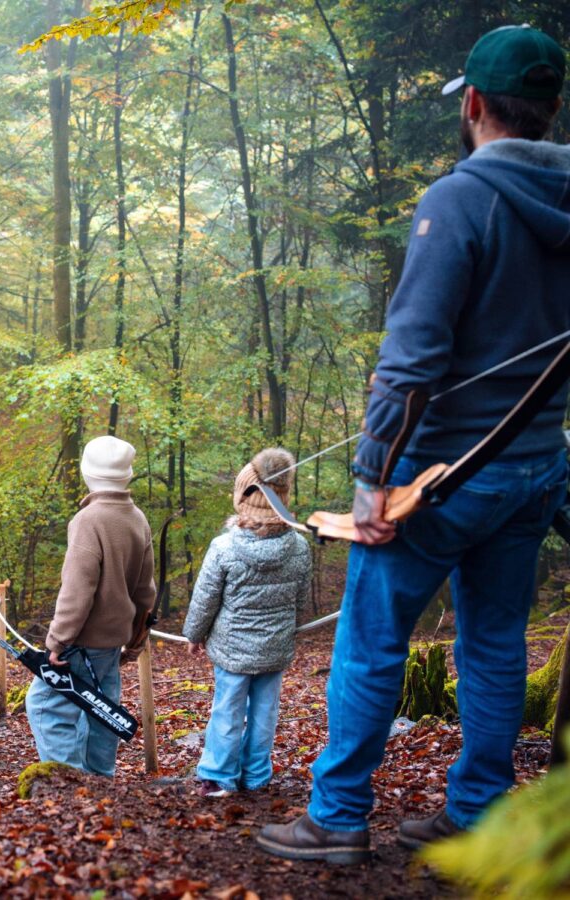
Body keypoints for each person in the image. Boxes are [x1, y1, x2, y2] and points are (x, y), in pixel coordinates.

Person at [259, 25, 570, 865]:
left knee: (370, 640)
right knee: (497, 640)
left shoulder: (459, 201)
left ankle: (336, 818)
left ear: (472, 104)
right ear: (551, 108)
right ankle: (477, 816)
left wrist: (371, 487)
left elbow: (411, 361)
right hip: (537, 464)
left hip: (441, 475)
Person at [25, 435, 157, 776]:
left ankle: (70, 786)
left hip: (79, 642)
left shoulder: (88, 520)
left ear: (88, 473)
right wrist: (136, 637)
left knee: (45, 705)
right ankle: (100, 782)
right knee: (102, 710)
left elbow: (77, 590)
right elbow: (145, 591)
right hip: (112, 642)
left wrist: (57, 641)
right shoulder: (137, 518)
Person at [183, 448, 312, 798]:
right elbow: (300, 601)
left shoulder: (224, 547)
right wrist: (286, 630)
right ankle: (256, 775)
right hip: (275, 648)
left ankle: (219, 775)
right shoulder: (299, 547)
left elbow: (205, 598)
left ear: (243, 496)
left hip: (233, 650)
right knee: (265, 712)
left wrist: (194, 634)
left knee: (227, 708)